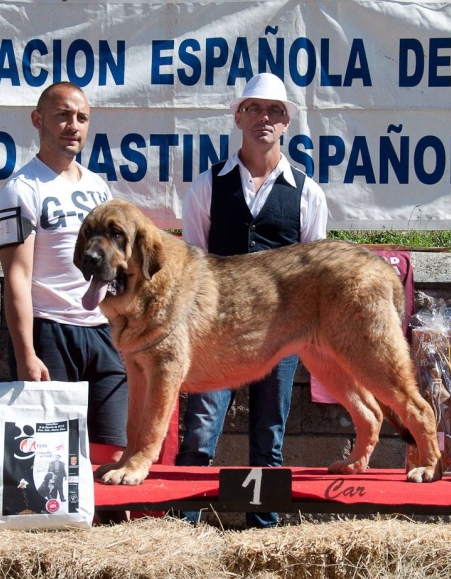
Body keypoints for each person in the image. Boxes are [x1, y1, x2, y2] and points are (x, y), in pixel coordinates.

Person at [176, 73, 328, 528]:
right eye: (255, 109)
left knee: (269, 437)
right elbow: (193, 266)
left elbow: (313, 276)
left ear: (286, 123)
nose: (265, 118)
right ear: (238, 116)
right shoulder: (207, 186)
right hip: (215, 334)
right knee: (199, 433)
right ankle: (181, 529)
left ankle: (261, 534)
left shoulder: (308, 192)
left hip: (280, 337)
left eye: (275, 111)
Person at [0, 82, 128, 466]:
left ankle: (109, 528)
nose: (73, 125)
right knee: (50, 458)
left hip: (103, 332)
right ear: (38, 120)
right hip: (49, 331)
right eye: (63, 115)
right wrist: (26, 355)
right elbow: (16, 277)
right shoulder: (20, 190)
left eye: (82, 118)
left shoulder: (99, 187)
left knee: (112, 452)